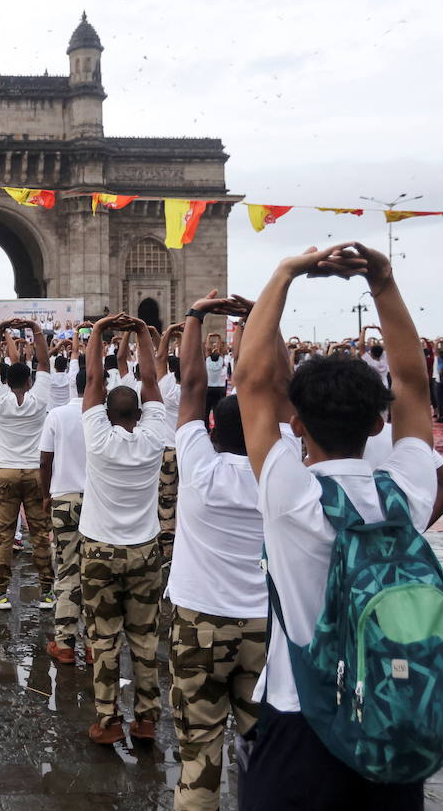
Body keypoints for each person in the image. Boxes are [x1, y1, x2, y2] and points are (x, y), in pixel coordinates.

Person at [234, 242, 443, 808]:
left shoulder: (289, 496)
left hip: (301, 721)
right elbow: (414, 383)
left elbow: (253, 381)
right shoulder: (406, 491)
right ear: (379, 424)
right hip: (391, 719)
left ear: (296, 424)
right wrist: (383, 282)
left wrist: (284, 273)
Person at [170, 291, 268, 810]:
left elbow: (189, 386)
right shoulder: (281, 473)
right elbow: (282, 391)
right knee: (263, 748)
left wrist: (193, 317)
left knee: (198, 750)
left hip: (201, 622)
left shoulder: (198, 466)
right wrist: (260, 319)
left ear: (212, 429)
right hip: (264, 625)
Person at [79, 312, 171, 744]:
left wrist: (97, 332)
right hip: (145, 550)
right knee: (145, 638)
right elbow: (152, 381)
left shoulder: (96, 438)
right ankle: (148, 718)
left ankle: (108, 719)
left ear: (106, 413)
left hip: (99, 549)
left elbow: (93, 380)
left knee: (104, 638)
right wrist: (142, 335)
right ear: (138, 412)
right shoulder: (155, 436)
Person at [0, 319, 55, 610]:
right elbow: (45, 364)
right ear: (29, 382)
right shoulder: (39, 399)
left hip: (7, 471)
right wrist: (36, 330)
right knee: (39, 533)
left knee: (4, 536)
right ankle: (47, 592)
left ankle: (0, 593)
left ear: (6, 382)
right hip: (35, 472)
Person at [40, 365, 88, 664]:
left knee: (68, 570)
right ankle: (96, 644)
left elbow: (45, 460)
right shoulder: (104, 417)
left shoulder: (58, 414)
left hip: (64, 498)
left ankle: (66, 643)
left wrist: (46, 494)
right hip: (97, 502)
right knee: (95, 574)